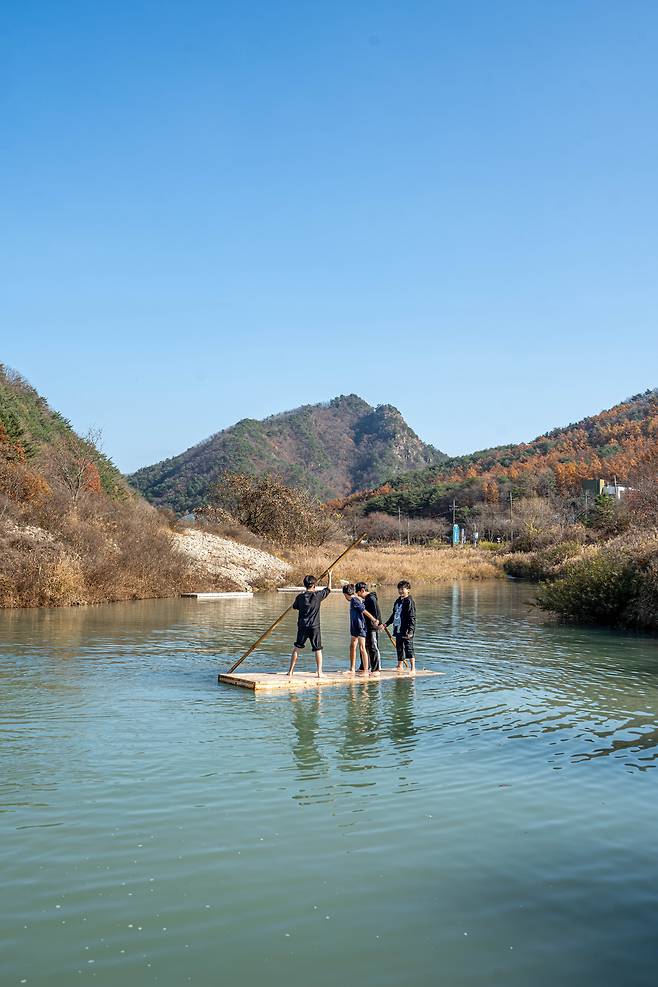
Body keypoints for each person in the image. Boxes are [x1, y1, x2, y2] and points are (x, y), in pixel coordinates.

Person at [288, 575, 330, 679]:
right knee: (318, 649)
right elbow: (329, 589)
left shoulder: (300, 597)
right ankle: (319, 673)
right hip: (314, 627)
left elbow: (295, 607)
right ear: (314, 585)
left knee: (297, 647)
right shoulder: (318, 595)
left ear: (304, 585)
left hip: (302, 626)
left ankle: (290, 671)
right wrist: (330, 576)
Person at [384, 580, 416, 672]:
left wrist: (410, 631)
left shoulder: (409, 601)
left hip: (406, 629)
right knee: (399, 647)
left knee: (408, 647)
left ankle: (413, 668)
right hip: (398, 628)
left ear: (408, 590)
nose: (401, 591)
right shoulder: (398, 601)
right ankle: (400, 665)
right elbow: (394, 614)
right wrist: (387, 623)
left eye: (403, 589)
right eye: (399, 589)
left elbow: (412, 617)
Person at [342, 583, 370, 674]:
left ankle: (365, 670)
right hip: (354, 627)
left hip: (360, 627)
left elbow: (363, 610)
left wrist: (373, 619)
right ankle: (352, 669)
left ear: (345, 594)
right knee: (352, 646)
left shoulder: (355, 600)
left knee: (362, 648)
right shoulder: (353, 600)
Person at [359, 582, 382, 672]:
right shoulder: (366, 599)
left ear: (362, 590)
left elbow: (377, 612)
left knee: (373, 647)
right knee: (364, 647)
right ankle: (365, 666)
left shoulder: (372, 599)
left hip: (372, 627)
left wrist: (380, 624)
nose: (358, 595)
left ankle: (376, 669)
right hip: (365, 627)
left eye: (358, 593)